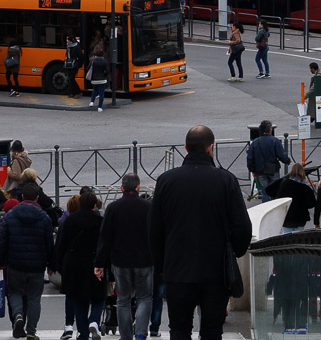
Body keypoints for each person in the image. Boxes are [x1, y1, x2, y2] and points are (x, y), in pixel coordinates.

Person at [148, 126, 251, 340]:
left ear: (185, 148)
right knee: (212, 331)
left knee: (179, 329)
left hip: (177, 269)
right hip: (216, 271)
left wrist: (161, 265)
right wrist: (233, 252)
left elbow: (154, 229)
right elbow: (242, 226)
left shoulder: (166, 181)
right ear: (211, 148)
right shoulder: (225, 180)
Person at [94, 173, 153, 340]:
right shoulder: (147, 207)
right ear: (138, 187)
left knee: (123, 300)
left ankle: (126, 336)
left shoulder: (113, 208)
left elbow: (104, 237)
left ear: (122, 188)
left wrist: (99, 262)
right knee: (144, 297)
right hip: (144, 259)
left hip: (120, 260)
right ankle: (140, 333)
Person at [0, 181, 54, 340]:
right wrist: (51, 265)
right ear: (37, 197)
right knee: (34, 298)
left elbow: (2, 243)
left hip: (15, 264)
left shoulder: (10, 216)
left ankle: (18, 314)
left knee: (15, 292)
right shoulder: (44, 218)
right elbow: (49, 244)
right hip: (37, 265)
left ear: (22, 197)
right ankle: (31, 331)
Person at [56, 190, 106, 340]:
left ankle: (83, 333)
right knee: (99, 297)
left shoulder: (69, 221)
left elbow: (61, 245)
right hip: (94, 263)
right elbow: (105, 245)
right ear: (94, 205)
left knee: (78, 300)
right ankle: (94, 320)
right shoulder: (100, 222)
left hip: (73, 263)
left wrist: (59, 266)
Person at [246, 119, 290, 201]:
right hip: (273, 169)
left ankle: (266, 208)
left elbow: (250, 158)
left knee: (265, 191)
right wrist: (287, 161)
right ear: (270, 130)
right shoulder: (274, 140)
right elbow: (281, 155)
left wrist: (253, 171)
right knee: (276, 190)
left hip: (260, 170)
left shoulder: (255, 142)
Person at [271, 163, 316, 232]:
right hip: (301, 216)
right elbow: (311, 204)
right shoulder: (306, 186)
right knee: (299, 237)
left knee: (287, 236)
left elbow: (276, 196)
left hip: (287, 215)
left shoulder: (284, 184)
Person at [86, 47, 109, 112]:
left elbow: (88, 68)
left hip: (94, 80)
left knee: (94, 90)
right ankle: (99, 107)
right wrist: (104, 75)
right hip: (102, 80)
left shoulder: (92, 61)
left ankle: (91, 102)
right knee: (101, 93)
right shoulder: (105, 61)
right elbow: (107, 71)